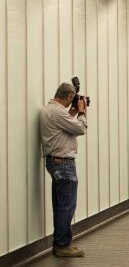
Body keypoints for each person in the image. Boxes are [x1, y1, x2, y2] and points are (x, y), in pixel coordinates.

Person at [40, 83, 88, 257]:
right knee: (67, 206)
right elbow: (80, 128)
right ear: (68, 96)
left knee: (60, 205)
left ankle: (60, 243)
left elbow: (63, 126)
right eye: (72, 99)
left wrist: (72, 113)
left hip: (54, 162)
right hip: (64, 164)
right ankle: (62, 245)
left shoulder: (48, 109)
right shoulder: (58, 112)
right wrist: (82, 112)